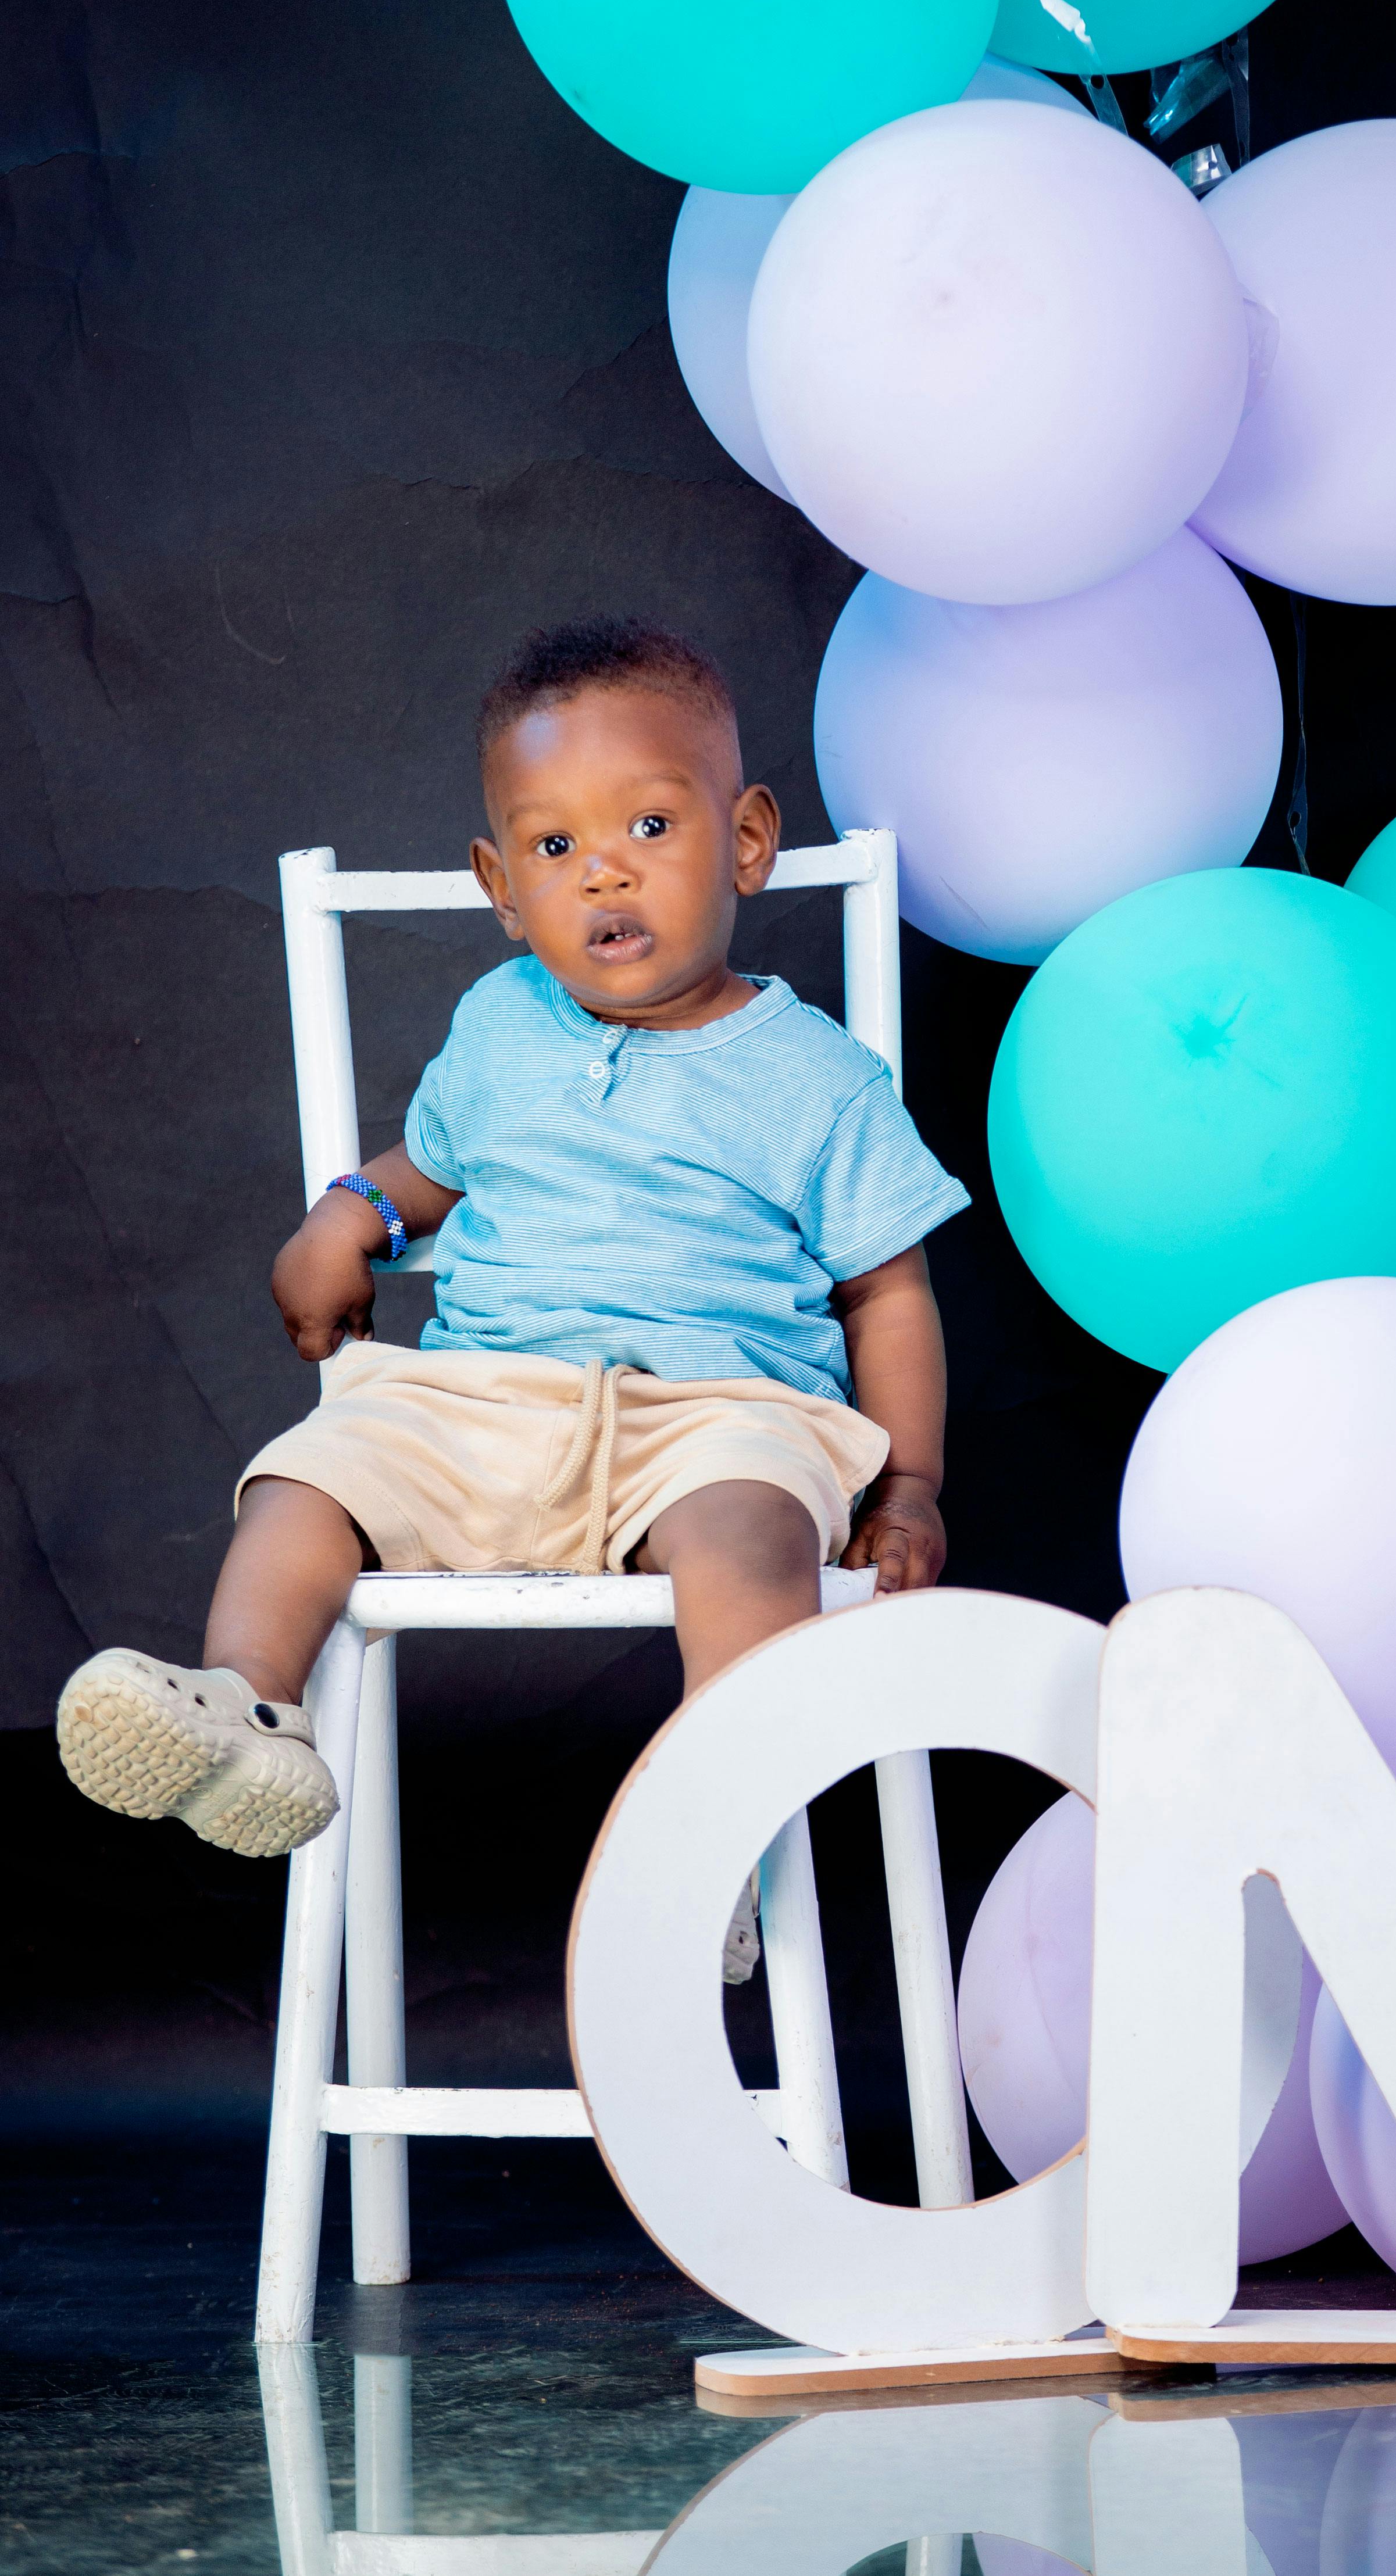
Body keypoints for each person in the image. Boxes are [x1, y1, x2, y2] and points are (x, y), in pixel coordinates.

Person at [54, 616, 966, 1980]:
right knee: (310, 1472)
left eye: (650, 825)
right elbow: (424, 1172)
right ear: (501, 885)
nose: (603, 869)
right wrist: (345, 1217)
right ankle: (249, 1709)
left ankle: (709, 1827)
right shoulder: (497, 1025)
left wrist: (911, 1488)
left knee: (752, 1535)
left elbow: (887, 1292)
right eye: (553, 846)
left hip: (716, 1417)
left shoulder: (819, 1079)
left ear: (746, 840)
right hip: (480, 1401)